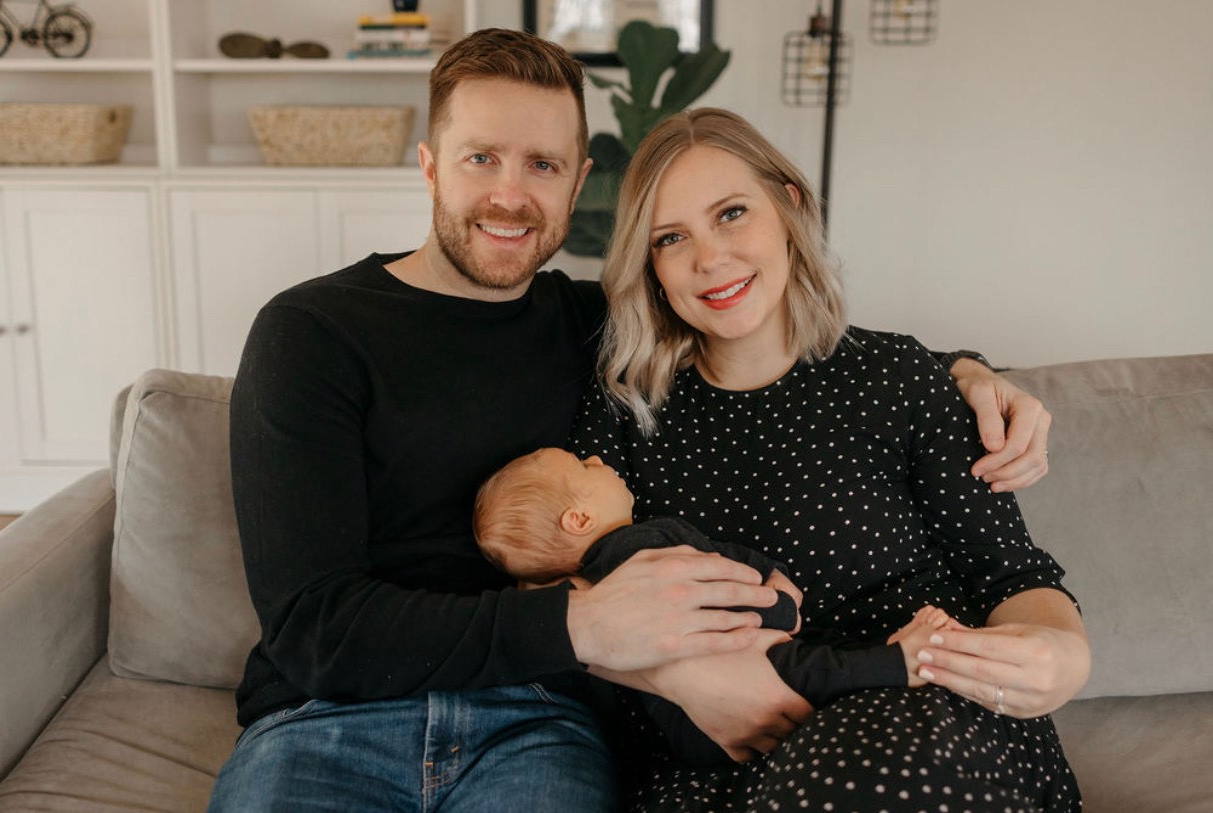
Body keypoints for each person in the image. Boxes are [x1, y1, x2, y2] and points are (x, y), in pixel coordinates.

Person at [208, 25, 1060, 811]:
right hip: (326, 722)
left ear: (580, 182)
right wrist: (587, 625)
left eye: (542, 164)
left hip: (535, 720)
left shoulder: (599, 327)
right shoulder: (311, 333)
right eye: (481, 159)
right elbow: (313, 626)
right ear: (431, 164)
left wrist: (976, 376)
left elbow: (771, 327)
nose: (510, 195)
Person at [567, 106, 1091, 811]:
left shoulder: (902, 378)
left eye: (731, 213)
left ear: (789, 205)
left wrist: (1063, 654)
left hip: (916, 721)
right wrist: (681, 678)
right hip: (714, 753)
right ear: (650, 264)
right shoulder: (625, 412)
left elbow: (1013, 574)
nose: (710, 258)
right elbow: (554, 596)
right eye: (671, 237)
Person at [473, 445, 961, 768]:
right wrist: (781, 606)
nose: (598, 458)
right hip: (732, 687)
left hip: (687, 731)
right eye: (583, 466)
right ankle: (901, 663)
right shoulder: (639, 551)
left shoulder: (601, 577)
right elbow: (719, 600)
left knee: (814, 661)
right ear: (579, 518)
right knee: (808, 667)